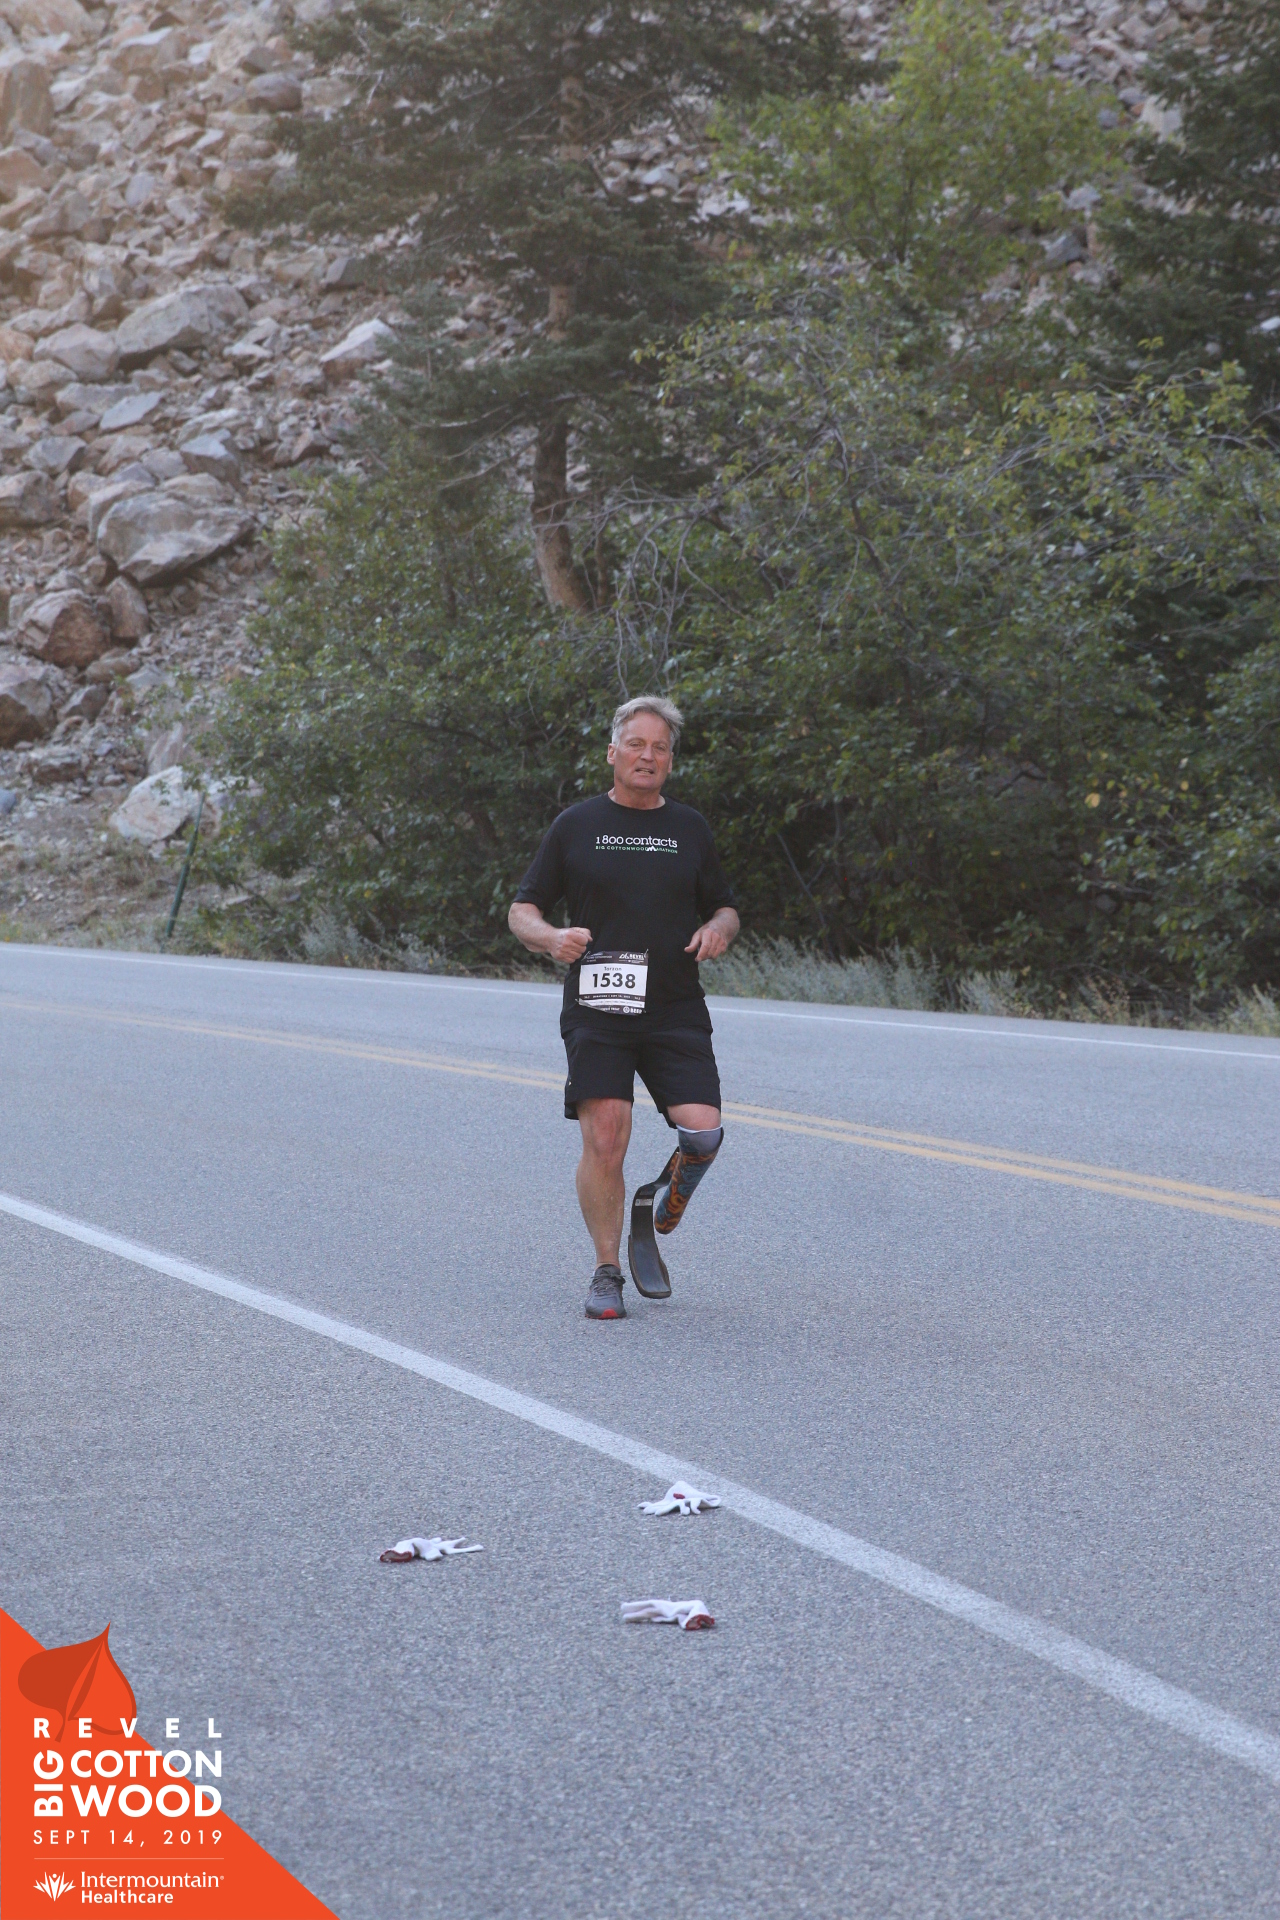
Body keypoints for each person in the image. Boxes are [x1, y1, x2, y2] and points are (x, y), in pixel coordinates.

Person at [508, 696, 740, 1320]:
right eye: (636, 744)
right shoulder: (576, 824)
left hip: (673, 1006)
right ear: (613, 752)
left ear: (670, 761)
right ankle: (606, 1271)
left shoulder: (689, 828)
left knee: (704, 1132)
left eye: (660, 747)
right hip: (599, 1005)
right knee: (606, 1137)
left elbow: (725, 906)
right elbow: (522, 910)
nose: (647, 756)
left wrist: (718, 928)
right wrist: (550, 938)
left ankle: (659, 1199)